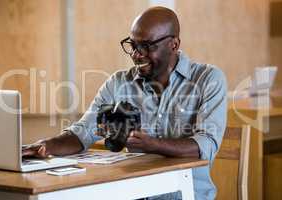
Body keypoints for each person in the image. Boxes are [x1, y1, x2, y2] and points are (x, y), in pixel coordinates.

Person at [23, 6, 227, 200]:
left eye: (146, 46)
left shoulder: (208, 79)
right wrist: (45, 146)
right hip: (134, 194)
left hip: (185, 195)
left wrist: (152, 145)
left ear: (173, 44)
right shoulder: (118, 83)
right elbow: (83, 131)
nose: (137, 55)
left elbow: (206, 146)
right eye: (133, 45)